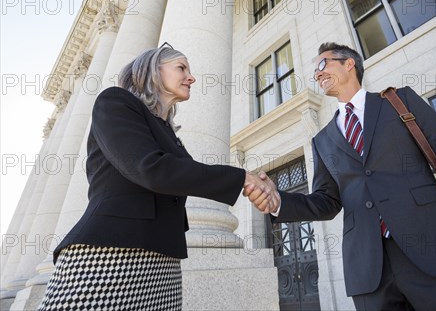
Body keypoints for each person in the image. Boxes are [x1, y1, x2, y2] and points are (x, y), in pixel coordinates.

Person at [245, 42, 436, 310]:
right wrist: (278, 201)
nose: (317, 74)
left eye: (322, 65)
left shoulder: (401, 102)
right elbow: (326, 201)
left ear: (349, 63)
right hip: (369, 273)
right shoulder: (322, 140)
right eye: (315, 71)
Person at [38, 44, 279, 311]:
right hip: (109, 254)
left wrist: (257, 185)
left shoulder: (169, 134)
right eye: (182, 68)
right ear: (154, 69)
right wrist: (243, 178)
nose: (191, 77)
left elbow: (191, 175)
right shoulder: (115, 101)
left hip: (164, 264)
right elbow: (151, 169)